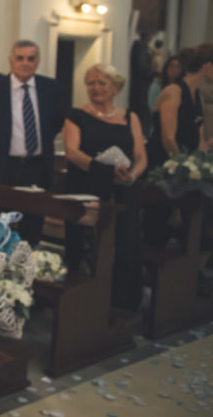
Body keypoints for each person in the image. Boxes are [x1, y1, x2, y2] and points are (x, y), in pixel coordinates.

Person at [62, 63, 147, 310]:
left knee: (125, 246)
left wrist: (132, 175)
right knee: (89, 248)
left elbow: (141, 155)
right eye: (90, 83)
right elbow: (72, 152)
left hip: (123, 190)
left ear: (115, 87)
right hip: (86, 188)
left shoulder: (130, 117)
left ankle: (121, 303)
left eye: (101, 83)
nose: (95, 88)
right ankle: (84, 304)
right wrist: (105, 169)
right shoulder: (76, 114)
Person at [0, 40, 64, 246]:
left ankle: (26, 274)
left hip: (37, 167)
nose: (25, 63)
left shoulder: (51, 88)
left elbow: (56, 123)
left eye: (31, 58)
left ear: (38, 61)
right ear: (11, 61)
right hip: (3, 167)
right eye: (20, 58)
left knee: (32, 229)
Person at [144, 44, 213, 248]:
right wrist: (185, 169)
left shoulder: (197, 95)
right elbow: (167, 137)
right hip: (163, 165)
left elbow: (198, 139)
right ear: (208, 66)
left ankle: (190, 270)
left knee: (198, 223)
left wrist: (204, 159)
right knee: (157, 227)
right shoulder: (173, 91)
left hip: (186, 170)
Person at [147, 55, 182, 119]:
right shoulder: (156, 86)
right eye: (172, 66)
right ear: (166, 68)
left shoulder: (181, 87)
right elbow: (153, 108)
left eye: (178, 67)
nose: (174, 70)